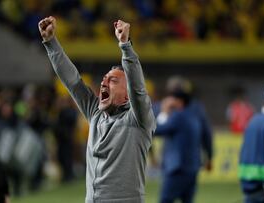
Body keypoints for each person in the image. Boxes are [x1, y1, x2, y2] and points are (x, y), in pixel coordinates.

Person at [38, 17, 156, 202]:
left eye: (113, 81)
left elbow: (138, 90)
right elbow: (73, 82)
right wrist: (51, 42)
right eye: (104, 79)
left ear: (127, 96)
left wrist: (125, 45)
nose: (104, 82)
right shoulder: (95, 114)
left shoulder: (138, 120)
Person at [155, 88, 212, 203]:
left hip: (177, 168)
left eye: (171, 99)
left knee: (165, 199)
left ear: (179, 101)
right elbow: (207, 136)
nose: (167, 101)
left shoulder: (178, 117)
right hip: (192, 168)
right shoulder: (194, 116)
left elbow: (157, 130)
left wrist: (164, 112)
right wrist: (209, 157)